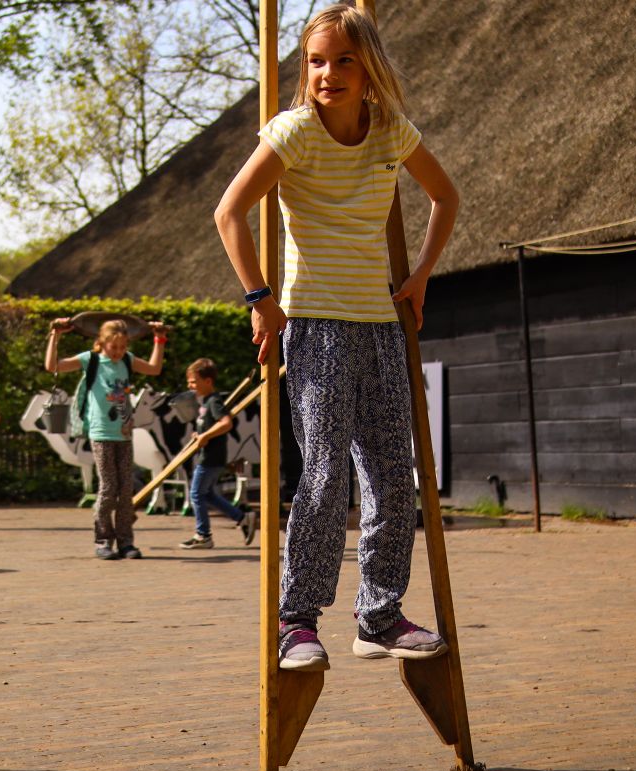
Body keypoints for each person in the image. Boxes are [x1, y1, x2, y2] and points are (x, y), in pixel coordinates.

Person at [214, 5, 460, 670]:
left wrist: (419, 277)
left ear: (367, 67)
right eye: (316, 61)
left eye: (344, 60)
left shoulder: (388, 131)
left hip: (381, 325)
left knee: (391, 478)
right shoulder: (292, 133)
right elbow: (228, 212)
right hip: (316, 328)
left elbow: (446, 197)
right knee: (323, 477)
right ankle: (296, 620)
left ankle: (377, 615)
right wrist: (260, 300)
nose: (328, 74)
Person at [45, 317, 167, 559]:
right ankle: (103, 540)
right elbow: (53, 366)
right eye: (114, 347)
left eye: (123, 347)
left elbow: (154, 369)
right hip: (101, 434)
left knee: (125, 488)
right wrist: (55, 336)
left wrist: (159, 340)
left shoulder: (127, 361)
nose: (118, 352)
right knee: (109, 487)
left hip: (124, 434)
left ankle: (125, 542)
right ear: (101, 342)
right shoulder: (89, 360)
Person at [178, 358, 257, 550]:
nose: (190, 386)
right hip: (210, 456)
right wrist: (200, 434)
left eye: (194, 382)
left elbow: (226, 423)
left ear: (208, 381)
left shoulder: (214, 401)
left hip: (211, 458)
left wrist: (205, 435)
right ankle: (242, 518)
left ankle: (203, 535)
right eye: (189, 382)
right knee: (209, 495)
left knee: (196, 494)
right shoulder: (205, 402)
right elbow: (210, 427)